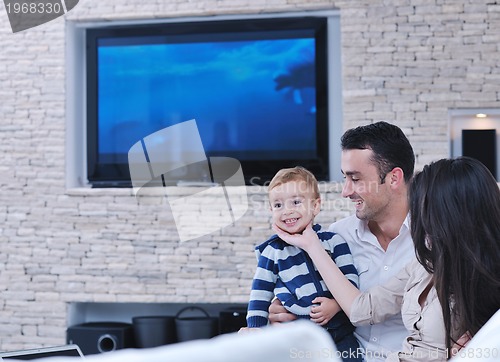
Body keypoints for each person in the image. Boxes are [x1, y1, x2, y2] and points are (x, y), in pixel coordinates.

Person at [274, 157, 500, 361]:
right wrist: (312, 246)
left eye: (356, 178)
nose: (417, 215)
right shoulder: (426, 263)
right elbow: (362, 309)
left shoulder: (482, 280)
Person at [269, 121, 416, 361]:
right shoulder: (337, 237)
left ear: (394, 178)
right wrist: (282, 310)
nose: (345, 192)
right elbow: (304, 287)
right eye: (345, 179)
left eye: (355, 179)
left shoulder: (433, 242)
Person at [245, 166, 362, 361]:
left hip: (340, 331)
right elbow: (259, 294)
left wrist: (335, 305)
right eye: (278, 205)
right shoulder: (272, 252)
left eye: (296, 202)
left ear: (315, 206)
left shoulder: (334, 241)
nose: (287, 211)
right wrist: (255, 328)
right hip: (299, 333)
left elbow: (350, 279)